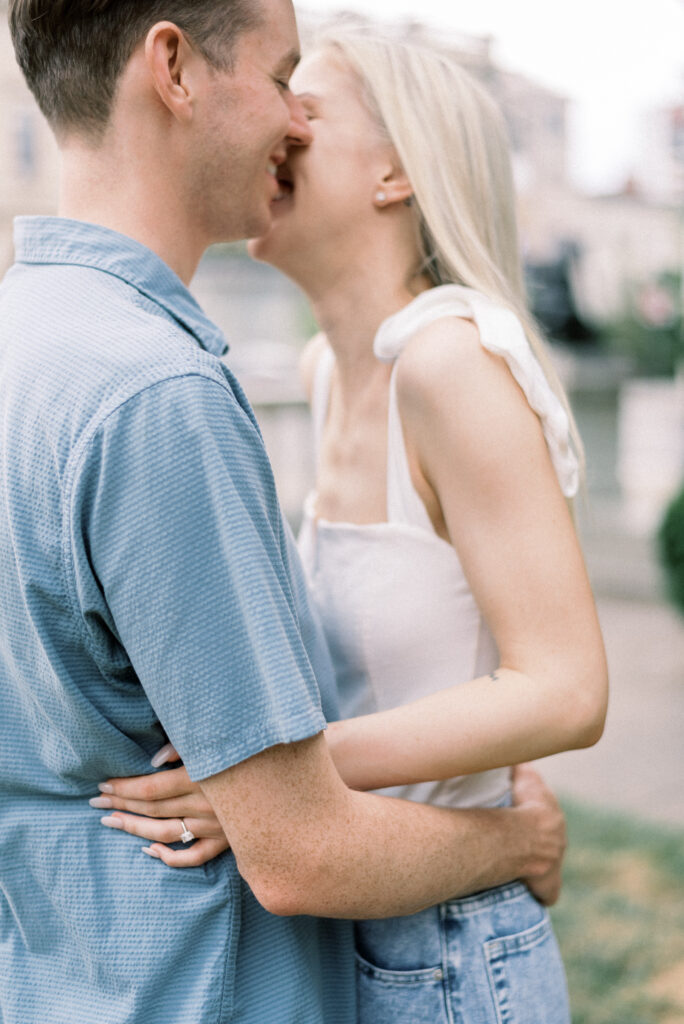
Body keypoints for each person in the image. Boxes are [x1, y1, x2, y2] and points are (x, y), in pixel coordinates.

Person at [0, 3, 571, 1023]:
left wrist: (275, 774)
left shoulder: (31, 339)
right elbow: (300, 844)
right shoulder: (163, 392)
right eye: (283, 80)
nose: (291, 125)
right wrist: (514, 840)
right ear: (172, 68)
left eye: (313, 101)